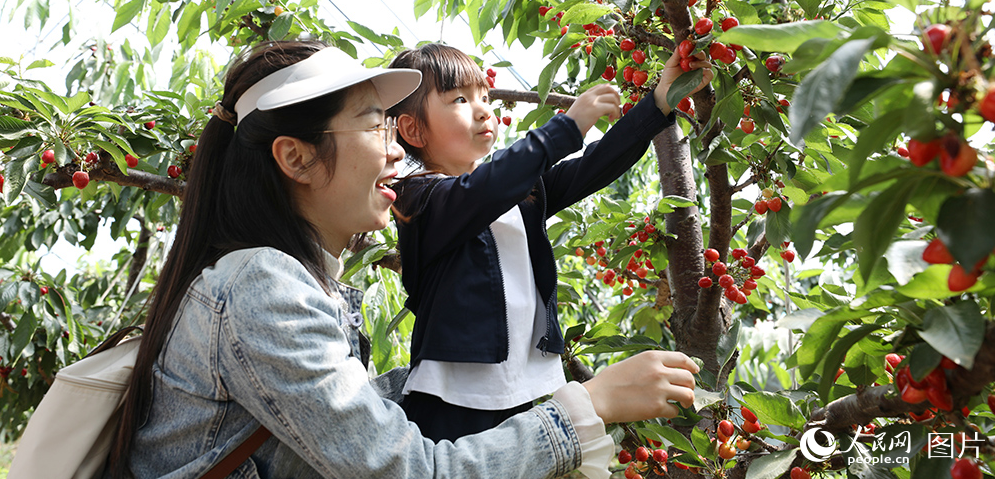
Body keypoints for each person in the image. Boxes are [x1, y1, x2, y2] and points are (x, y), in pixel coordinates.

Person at [106, 39, 701, 479]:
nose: (395, 150)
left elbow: (325, 428)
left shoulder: (307, 286)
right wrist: (587, 403)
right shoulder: (266, 286)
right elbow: (409, 472)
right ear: (296, 158)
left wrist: (654, 107)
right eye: (376, 125)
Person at [387, 43, 712, 443]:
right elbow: (482, 192)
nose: (483, 109)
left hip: (516, 390)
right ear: (413, 129)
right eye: (459, 99)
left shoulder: (520, 194)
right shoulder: (420, 201)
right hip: (450, 399)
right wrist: (566, 127)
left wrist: (661, 101)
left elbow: (593, 165)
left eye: (484, 97)